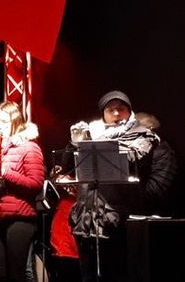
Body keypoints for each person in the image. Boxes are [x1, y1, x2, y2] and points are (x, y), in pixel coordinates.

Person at [67, 91, 158, 282]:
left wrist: (99, 144)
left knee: (117, 274)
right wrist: (75, 143)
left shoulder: (142, 133)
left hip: (116, 217)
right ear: (103, 114)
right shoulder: (91, 133)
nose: (116, 114)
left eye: (121, 109)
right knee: (88, 276)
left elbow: (134, 158)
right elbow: (67, 167)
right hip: (86, 217)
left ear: (129, 111)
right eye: (110, 110)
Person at [0, 102, 44, 282]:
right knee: (1, 273)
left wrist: (6, 173)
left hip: (21, 217)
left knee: (17, 273)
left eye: (4, 122)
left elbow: (36, 183)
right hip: (2, 217)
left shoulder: (29, 147)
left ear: (15, 121)